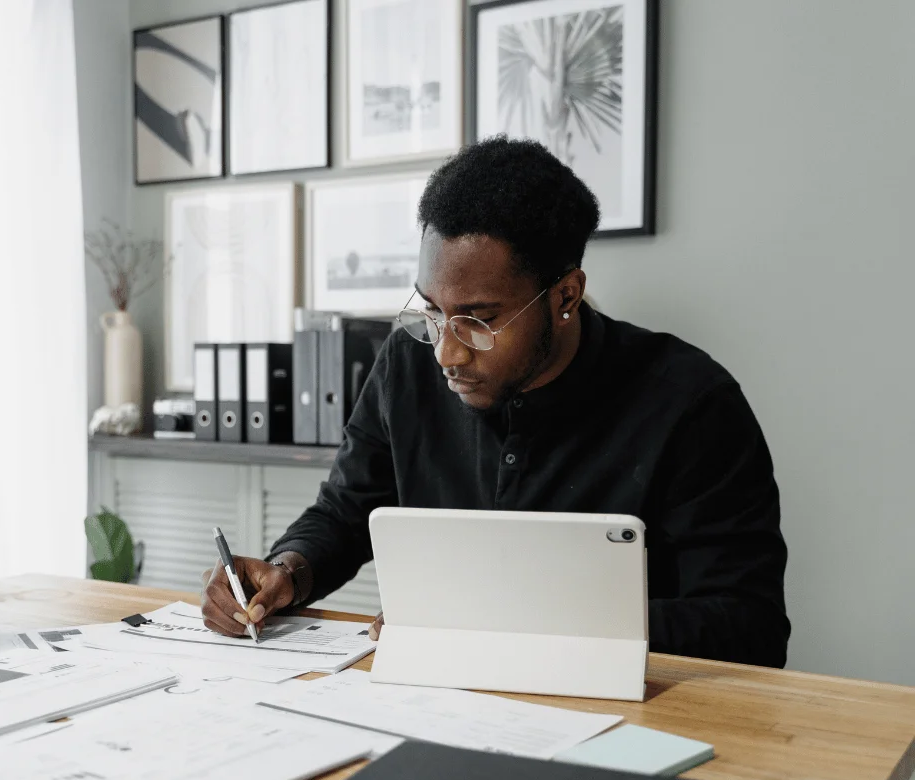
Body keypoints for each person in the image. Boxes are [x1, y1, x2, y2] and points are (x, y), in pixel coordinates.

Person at [200, 137, 790, 668]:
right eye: (431, 312)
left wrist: (509, 627)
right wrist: (288, 571)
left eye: (478, 321)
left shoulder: (691, 404)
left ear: (565, 295)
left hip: (635, 715)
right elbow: (345, 513)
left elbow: (749, 627)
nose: (446, 355)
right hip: (443, 703)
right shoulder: (406, 365)